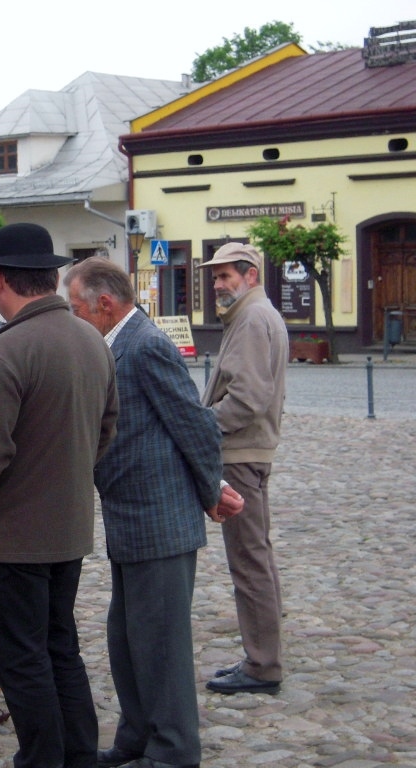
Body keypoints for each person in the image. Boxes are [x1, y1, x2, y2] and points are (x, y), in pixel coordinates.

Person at [0, 223, 119, 768]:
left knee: (22, 659)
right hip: (68, 528)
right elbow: (105, 430)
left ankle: (43, 759)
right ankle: (79, 757)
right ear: (50, 277)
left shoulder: (7, 351)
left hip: (14, 537)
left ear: (1, 280)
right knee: (59, 648)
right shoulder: (92, 341)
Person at [64, 257, 243, 768]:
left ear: (104, 303)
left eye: (76, 308)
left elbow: (195, 425)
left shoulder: (146, 346)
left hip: (159, 520)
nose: (73, 318)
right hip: (131, 520)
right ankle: (136, 739)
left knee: (161, 646)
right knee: (127, 640)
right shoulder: (116, 344)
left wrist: (211, 490)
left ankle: (173, 751)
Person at [198, 241, 289, 696]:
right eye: (215, 277)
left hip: (240, 455)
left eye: (225, 276)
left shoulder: (252, 318)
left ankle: (262, 665)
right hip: (249, 451)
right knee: (258, 557)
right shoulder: (254, 314)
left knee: (250, 562)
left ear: (250, 275)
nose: (217, 284)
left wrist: (199, 427)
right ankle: (263, 655)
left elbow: (247, 399)